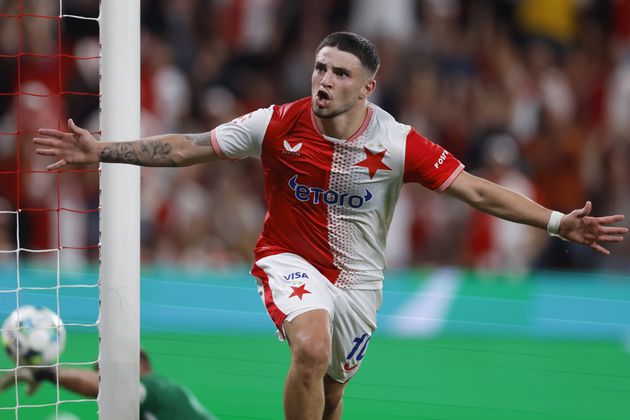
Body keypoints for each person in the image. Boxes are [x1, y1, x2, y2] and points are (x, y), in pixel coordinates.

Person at [32, 32, 627, 420]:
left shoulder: (396, 143)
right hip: (287, 258)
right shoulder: (275, 123)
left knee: (333, 392)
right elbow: (190, 146)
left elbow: (473, 188)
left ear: (367, 87)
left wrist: (557, 222)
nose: (324, 80)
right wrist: (101, 151)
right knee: (310, 350)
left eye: (341, 73)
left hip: (360, 283)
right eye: (320, 68)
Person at [0, 349, 216, 419]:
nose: (101, 377)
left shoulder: (156, 386)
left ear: (142, 364)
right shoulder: (144, 406)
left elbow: (113, 388)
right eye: (100, 372)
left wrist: (44, 372)